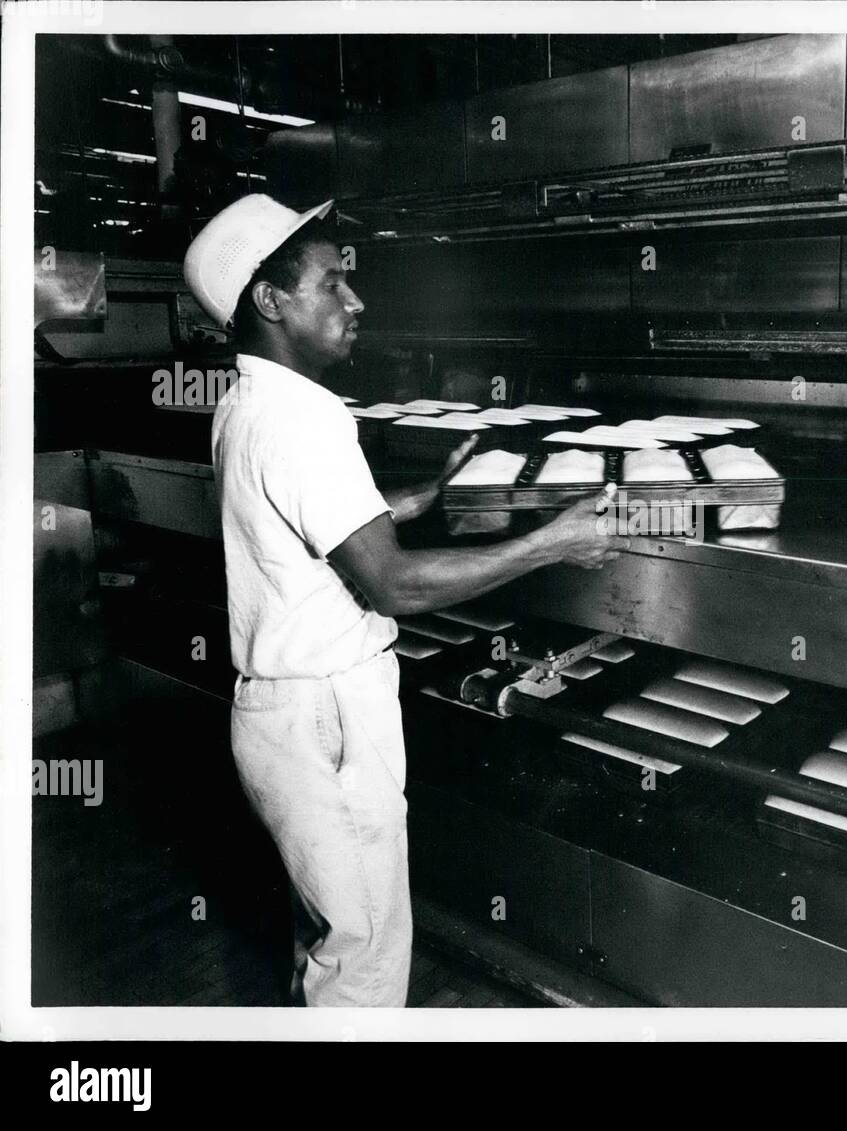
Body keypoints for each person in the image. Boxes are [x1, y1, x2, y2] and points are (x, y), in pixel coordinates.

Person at [183, 194, 626, 1007]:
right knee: (367, 963)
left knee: (328, 939)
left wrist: (417, 499)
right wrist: (550, 542)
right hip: (328, 725)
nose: (356, 302)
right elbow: (393, 584)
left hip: (277, 715)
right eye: (330, 286)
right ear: (271, 301)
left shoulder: (246, 403)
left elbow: (309, 524)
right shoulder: (306, 420)